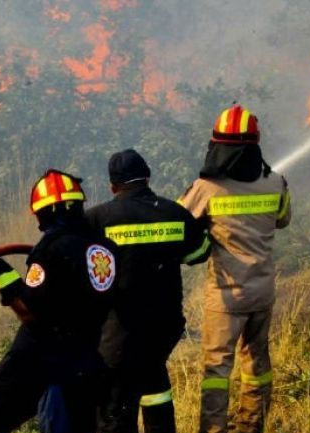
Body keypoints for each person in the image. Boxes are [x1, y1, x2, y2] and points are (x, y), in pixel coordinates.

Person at [0, 169, 118, 433]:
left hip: (38, 360)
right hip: (85, 361)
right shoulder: (105, 249)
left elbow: (30, 311)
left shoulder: (52, 248)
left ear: (47, 212)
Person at [177, 105, 291, 433]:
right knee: (257, 364)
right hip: (262, 293)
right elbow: (283, 220)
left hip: (226, 298)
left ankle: (214, 429)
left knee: (217, 371)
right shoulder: (275, 182)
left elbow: (177, 222)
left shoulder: (206, 188)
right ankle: (251, 426)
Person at [85, 149, 211, 433]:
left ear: (113, 186)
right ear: (147, 177)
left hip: (119, 330)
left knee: (115, 401)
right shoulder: (174, 212)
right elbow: (200, 253)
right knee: (154, 381)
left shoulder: (97, 219)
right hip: (164, 325)